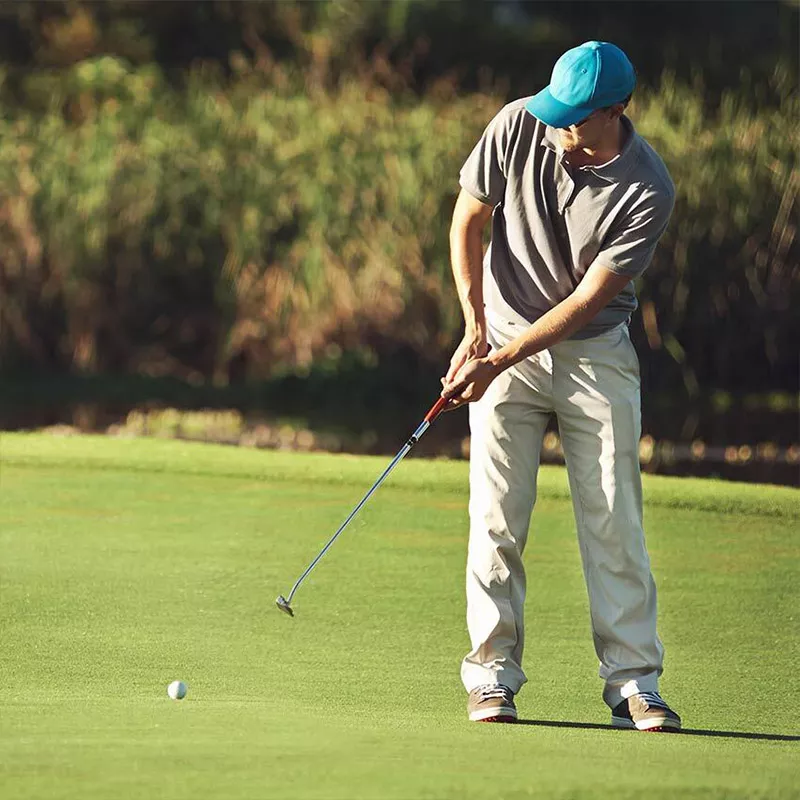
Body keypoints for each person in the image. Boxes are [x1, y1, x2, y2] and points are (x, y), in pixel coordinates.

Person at [441, 41, 681, 732]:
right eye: (557, 113)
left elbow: (587, 301)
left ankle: (635, 682)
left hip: (593, 353)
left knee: (613, 520)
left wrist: (503, 356)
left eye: (576, 118)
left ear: (616, 110)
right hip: (502, 334)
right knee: (495, 516)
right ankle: (491, 676)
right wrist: (474, 328)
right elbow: (467, 218)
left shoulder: (648, 187)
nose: (560, 129)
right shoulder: (519, 123)